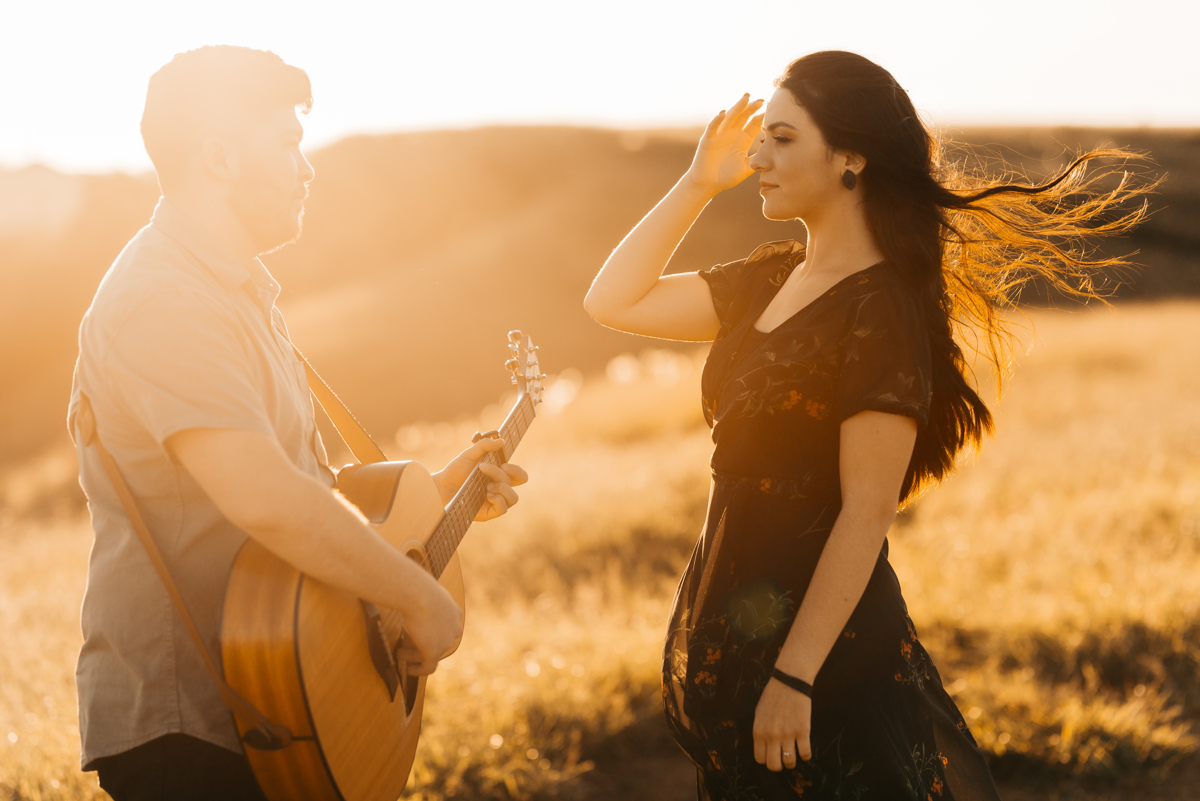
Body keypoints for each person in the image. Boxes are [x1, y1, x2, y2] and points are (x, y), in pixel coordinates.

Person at [584, 50, 1149, 800]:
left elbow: (868, 508)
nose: (757, 156)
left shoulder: (878, 308)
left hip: (822, 661)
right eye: (763, 138)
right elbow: (612, 301)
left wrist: (795, 673)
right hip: (736, 643)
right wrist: (694, 184)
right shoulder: (766, 279)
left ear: (850, 156)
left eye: (783, 139)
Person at [66, 45, 527, 801]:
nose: (306, 169)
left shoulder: (236, 291)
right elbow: (265, 497)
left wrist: (444, 491)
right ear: (218, 157)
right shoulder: (164, 301)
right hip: (198, 725)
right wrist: (419, 598)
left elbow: (300, 485)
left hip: (281, 696)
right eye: (287, 144)